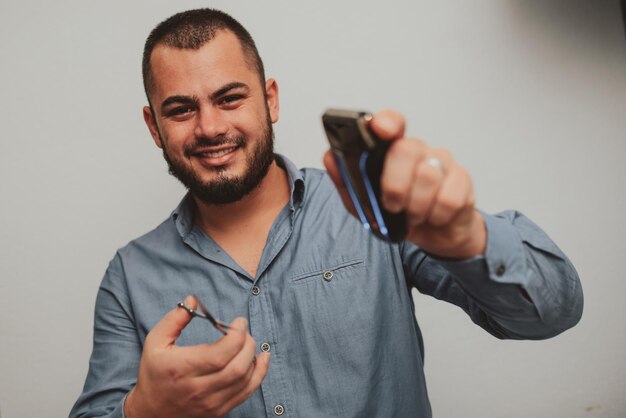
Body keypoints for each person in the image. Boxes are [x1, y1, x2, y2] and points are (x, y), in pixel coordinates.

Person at [70, 8, 583, 418]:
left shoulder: (369, 209)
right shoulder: (129, 276)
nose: (208, 127)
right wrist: (144, 414)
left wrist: (466, 236)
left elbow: (552, 314)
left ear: (270, 100)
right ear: (154, 127)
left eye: (230, 98)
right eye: (181, 109)